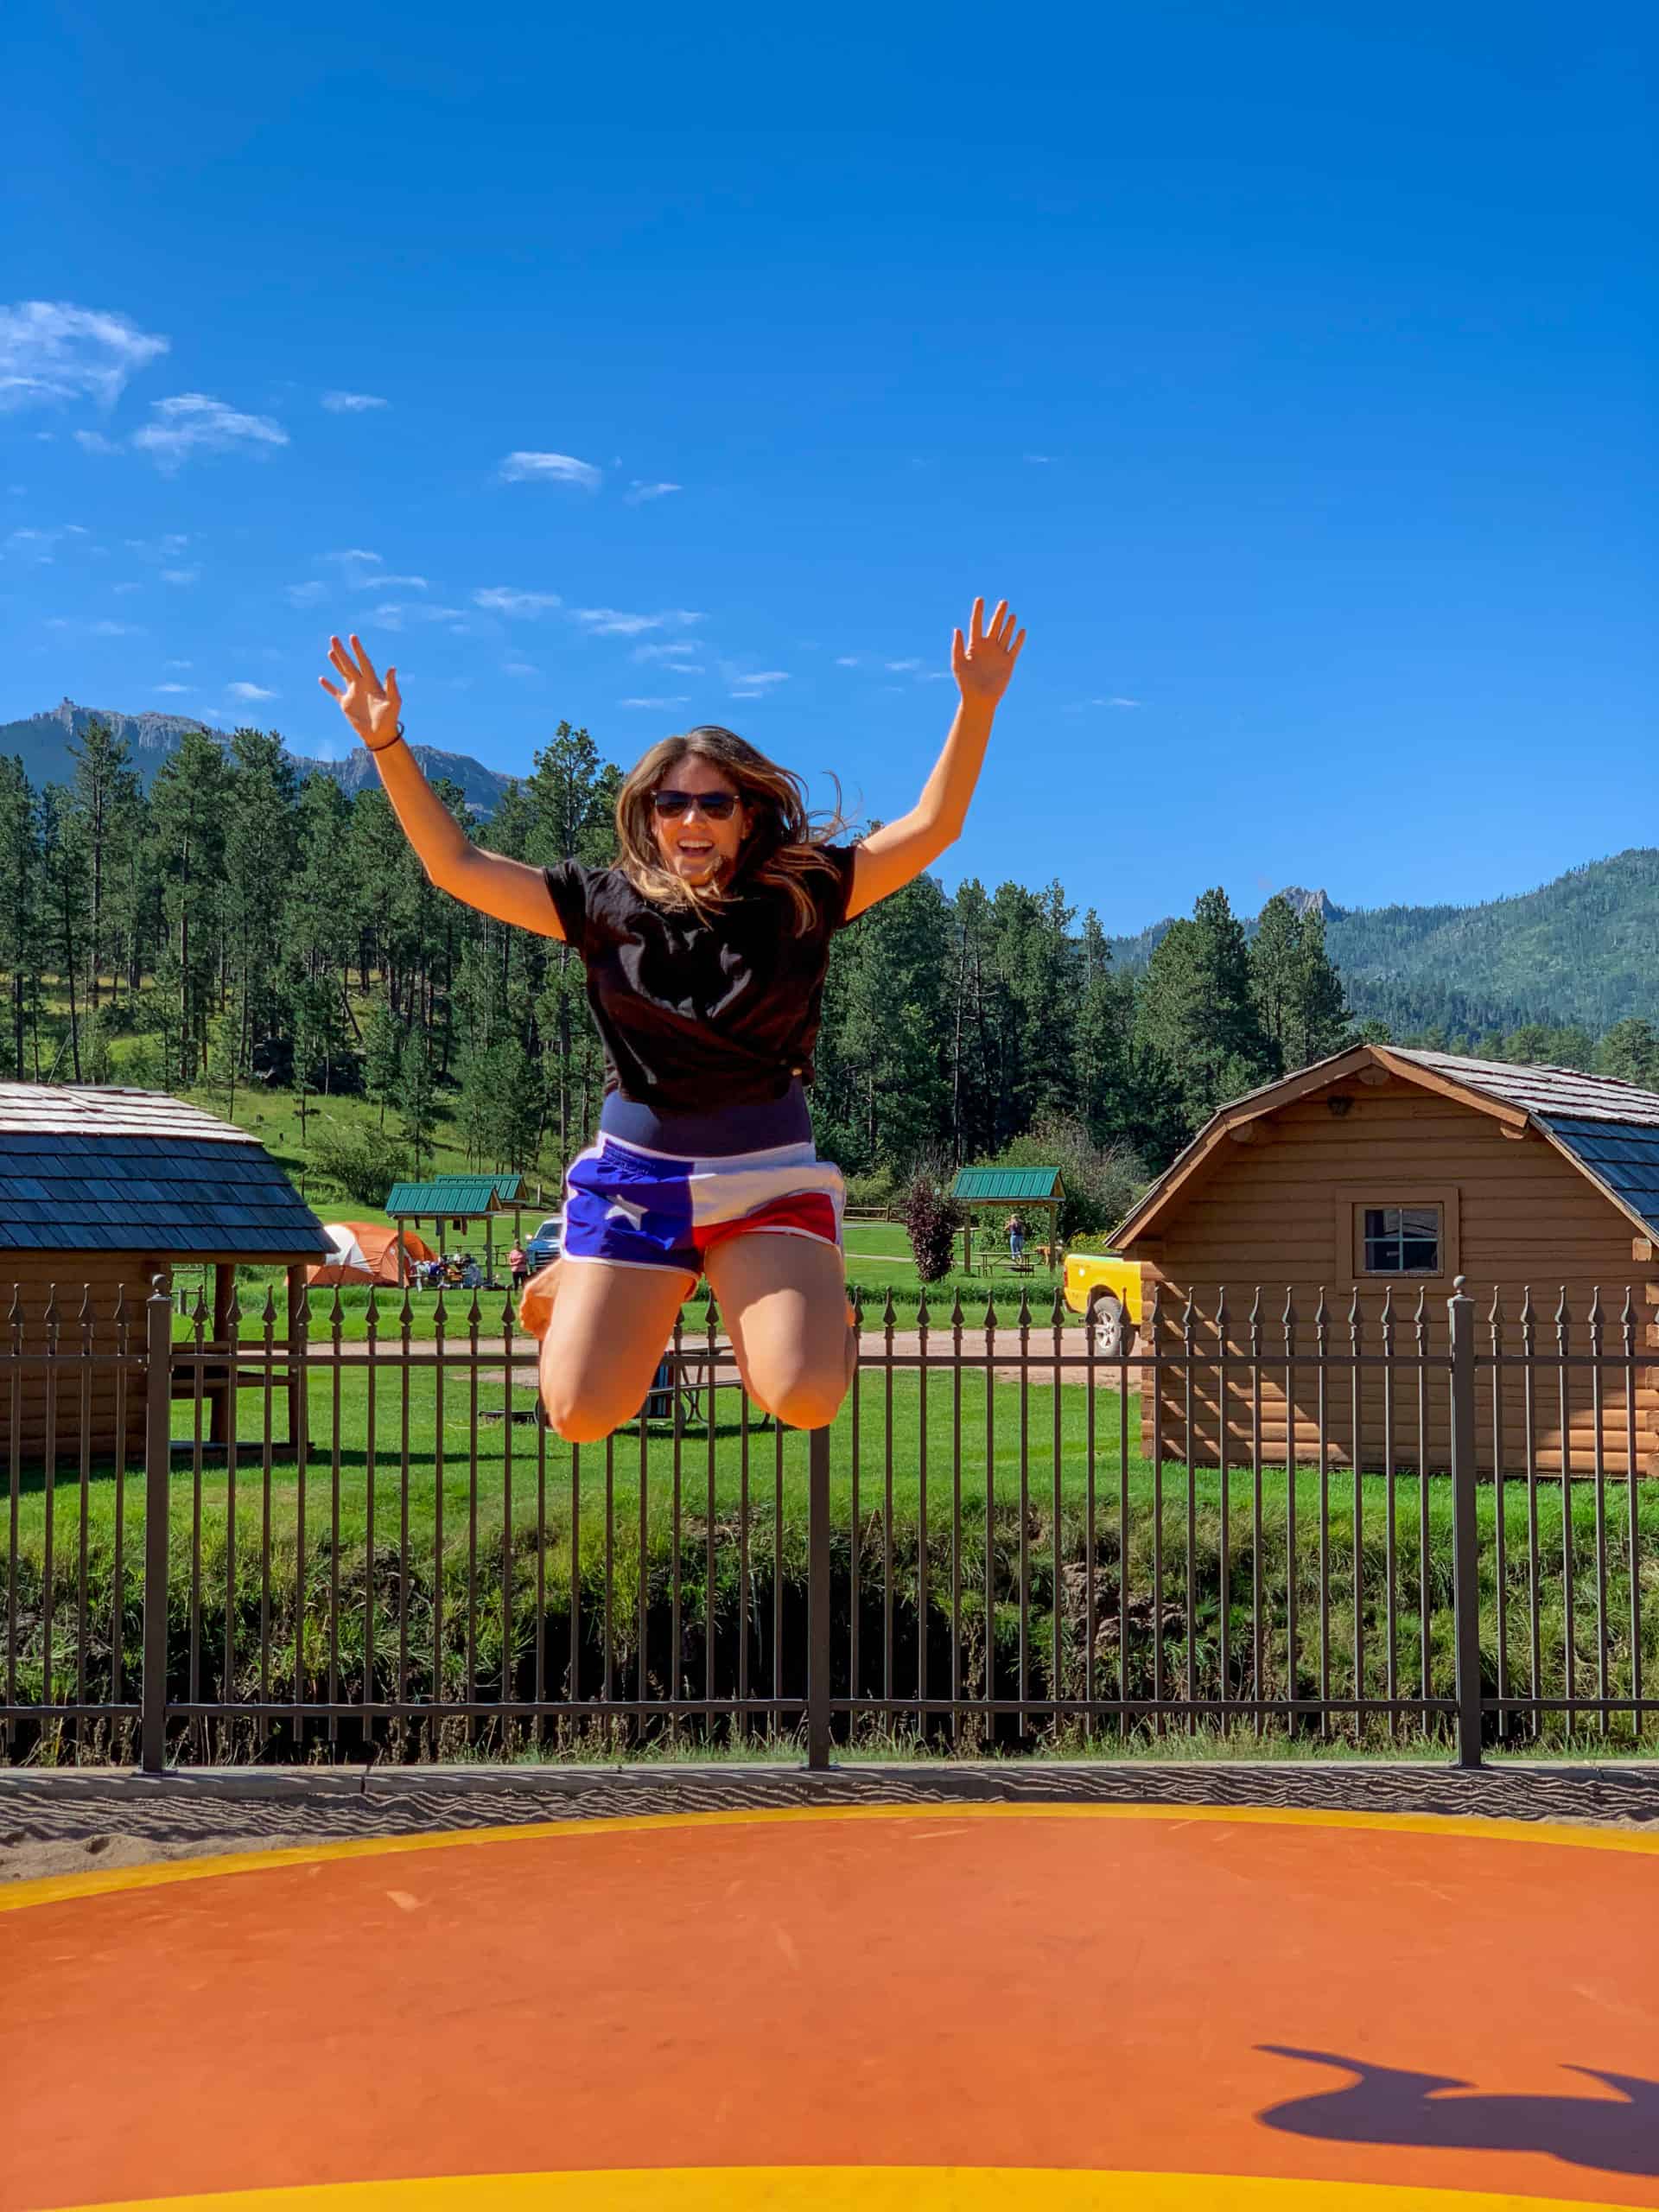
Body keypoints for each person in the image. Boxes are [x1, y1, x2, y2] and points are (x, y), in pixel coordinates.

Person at [321, 597, 1025, 1440]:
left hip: (767, 1181)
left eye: (713, 803)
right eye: (670, 802)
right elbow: (455, 864)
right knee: (579, 1413)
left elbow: (933, 825)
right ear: (648, 816)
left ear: (747, 814)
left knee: (804, 1397)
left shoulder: (803, 894)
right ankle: (586, 1283)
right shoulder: (600, 903)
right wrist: (386, 746)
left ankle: (795, 1306)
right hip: (638, 1181)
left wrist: (976, 703)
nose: (691, 818)